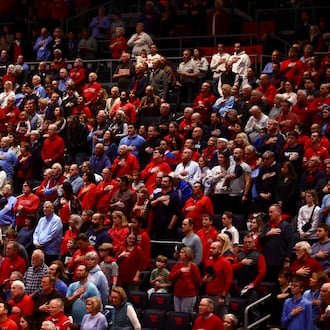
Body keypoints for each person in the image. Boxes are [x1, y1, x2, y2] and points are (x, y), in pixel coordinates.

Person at [259, 204, 294, 282]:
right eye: (269, 212)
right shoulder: (267, 226)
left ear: (278, 212)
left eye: (271, 212)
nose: (269, 214)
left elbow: (290, 244)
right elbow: (260, 239)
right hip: (266, 261)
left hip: (279, 262)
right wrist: (268, 234)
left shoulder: (286, 226)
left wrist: (287, 260)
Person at [203, 241, 233, 318]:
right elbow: (204, 278)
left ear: (220, 250)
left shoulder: (225, 263)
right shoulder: (208, 262)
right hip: (208, 295)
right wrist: (204, 280)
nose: (211, 250)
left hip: (219, 296)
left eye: (213, 248)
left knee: (220, 319)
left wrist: (223, 296)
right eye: (210, 248)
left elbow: (228, 281)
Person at [168, 246, 201, 314]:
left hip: (189, 295)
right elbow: (170, 278)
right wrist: (180, 271)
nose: (180, 254)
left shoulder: (193, 267)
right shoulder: (178, 265)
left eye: (182, 252)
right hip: (177, 294)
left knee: (186, 315)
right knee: (177, 315)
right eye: (180, 252)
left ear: (187, 254)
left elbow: (198, 282)